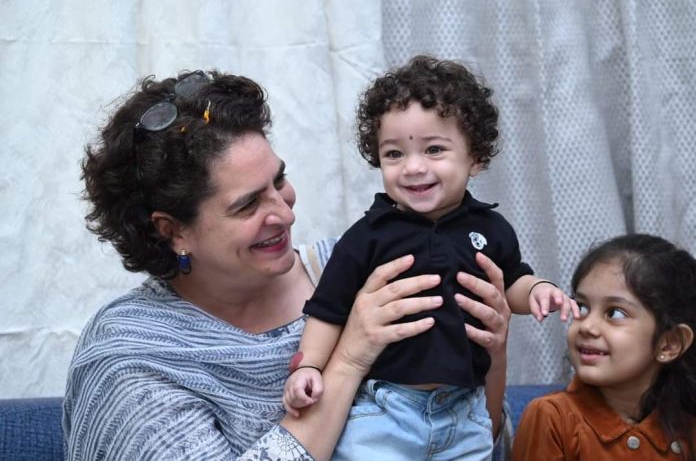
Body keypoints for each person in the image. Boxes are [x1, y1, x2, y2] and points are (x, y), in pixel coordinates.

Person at [63, 68, 514, 461]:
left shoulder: (360, 269)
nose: (285, 213)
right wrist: (349, 358)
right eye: (247, 205)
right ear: (172, 230)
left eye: (278, 180)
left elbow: (478, 440)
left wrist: (493, 355)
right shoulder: (131, 357)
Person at [283, 55, 578, 460]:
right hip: (384, 410)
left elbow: (512, 283)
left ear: (476, 157)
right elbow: (328, 310)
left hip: (465, 410)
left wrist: (539, 289)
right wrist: (308, 367)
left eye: (434, 149)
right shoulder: (367, 236)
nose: (413, 167)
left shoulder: (491, 228)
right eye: (394, 154)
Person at [513, 234, 696, 460]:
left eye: (614, 313)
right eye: (582, 307)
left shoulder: (687, 426)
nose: (587, 326)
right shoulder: (552, 418)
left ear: (670, 344)